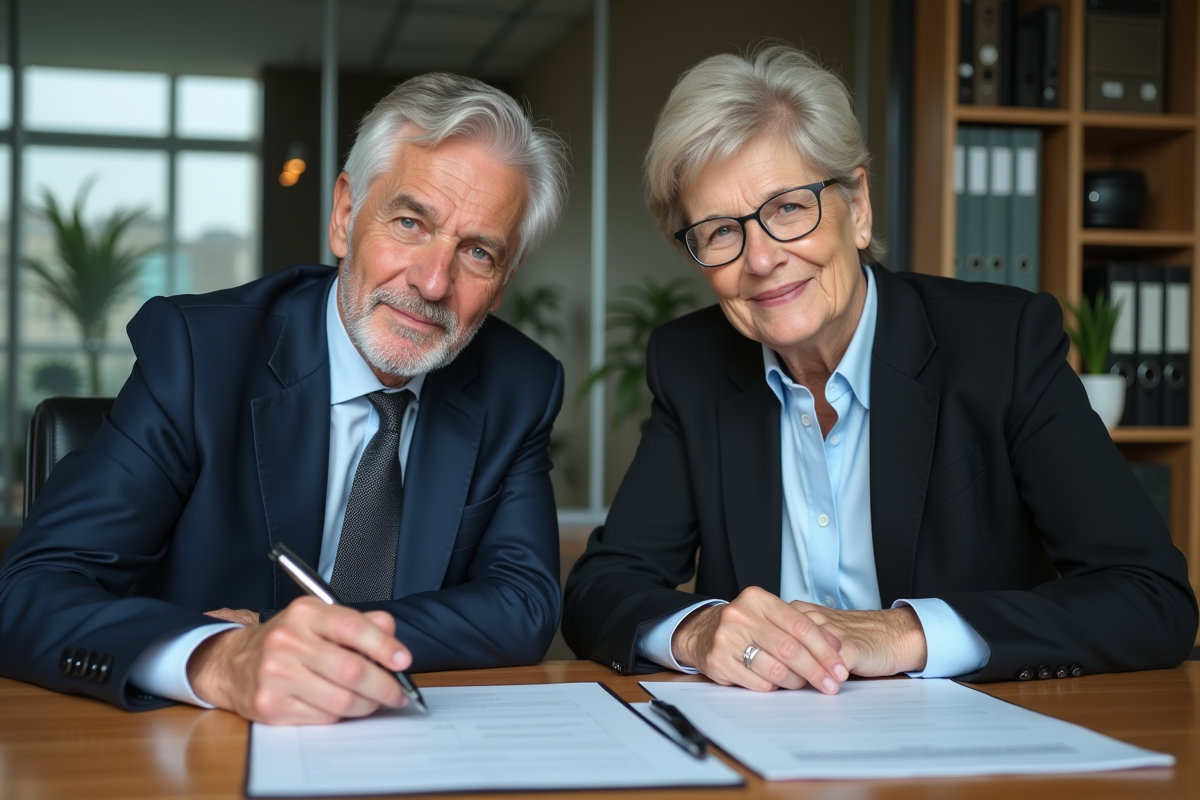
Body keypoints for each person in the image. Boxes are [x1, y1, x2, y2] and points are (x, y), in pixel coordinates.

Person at [562, 45, 1197, 692]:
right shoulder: (691, 363)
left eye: (787, 207)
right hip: (762, 758)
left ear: (857, 207)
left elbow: (1151, 597)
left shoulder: (1000, 344)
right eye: (721, 231)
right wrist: (700, 631)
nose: (760, 259)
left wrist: (901, 634)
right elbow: (601, 589)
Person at [0, 73, 570, 724]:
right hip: (197, 747)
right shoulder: (201, 354)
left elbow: (523, 605)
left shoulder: (519, 384)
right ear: (345, 216)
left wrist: (282, 637)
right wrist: (217, 659)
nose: (433, 282)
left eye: (477, 253)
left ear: (502, 284)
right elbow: (30, 590)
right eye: (410, 222)